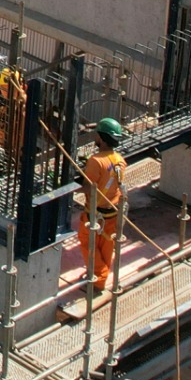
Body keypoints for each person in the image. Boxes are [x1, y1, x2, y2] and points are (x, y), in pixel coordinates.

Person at [79, 118, 128, 295]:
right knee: (107, 247)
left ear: (102, 138)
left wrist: (71, 186)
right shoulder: (120, 160)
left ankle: (99, 280)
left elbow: (88, 187)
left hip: (96, 214)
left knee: (89, 245)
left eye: (97, 135)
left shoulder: (96, 161)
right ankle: (101, 278)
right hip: (113, 212)